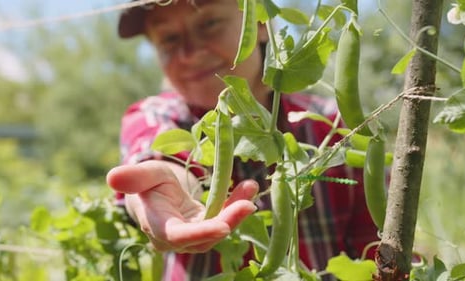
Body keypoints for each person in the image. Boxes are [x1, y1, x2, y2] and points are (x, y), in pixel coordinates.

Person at [106, 0, 378, 280]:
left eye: (209, 24)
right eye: (169, 39)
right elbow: (160, 157)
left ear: (260, 24)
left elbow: (378, 246)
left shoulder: (332, 125)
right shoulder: (155, 115)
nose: (189, 53)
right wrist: (165, 191)